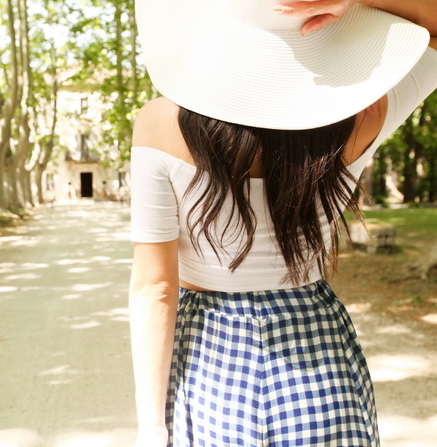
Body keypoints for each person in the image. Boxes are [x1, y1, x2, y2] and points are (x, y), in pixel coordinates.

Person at [128, 1, 437, 446]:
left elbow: (155, 289)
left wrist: (152, 427)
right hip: (317, 342)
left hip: (211, 353)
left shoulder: (160, 122)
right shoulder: (361, 115)